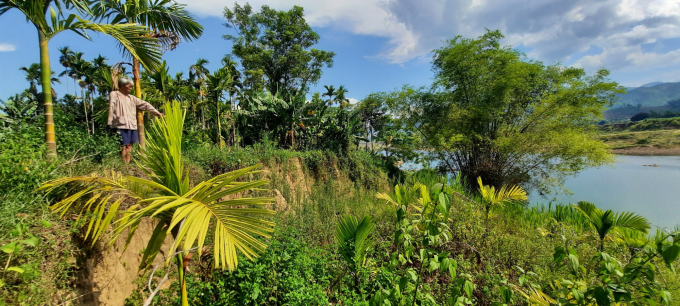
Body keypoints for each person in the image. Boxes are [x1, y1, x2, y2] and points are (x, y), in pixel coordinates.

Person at [107, 76, 164, 163]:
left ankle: (127, 163)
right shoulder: (114, 94)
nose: (131, 88)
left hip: (132, 124)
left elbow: (145, 104)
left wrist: (156, 113)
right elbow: (111, 107)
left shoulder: (132, 98)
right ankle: (123, 164)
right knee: (122, 146)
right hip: (120, 124)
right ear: (122, 85)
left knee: (130, 145)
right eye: (129, 86)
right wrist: (109, 122)